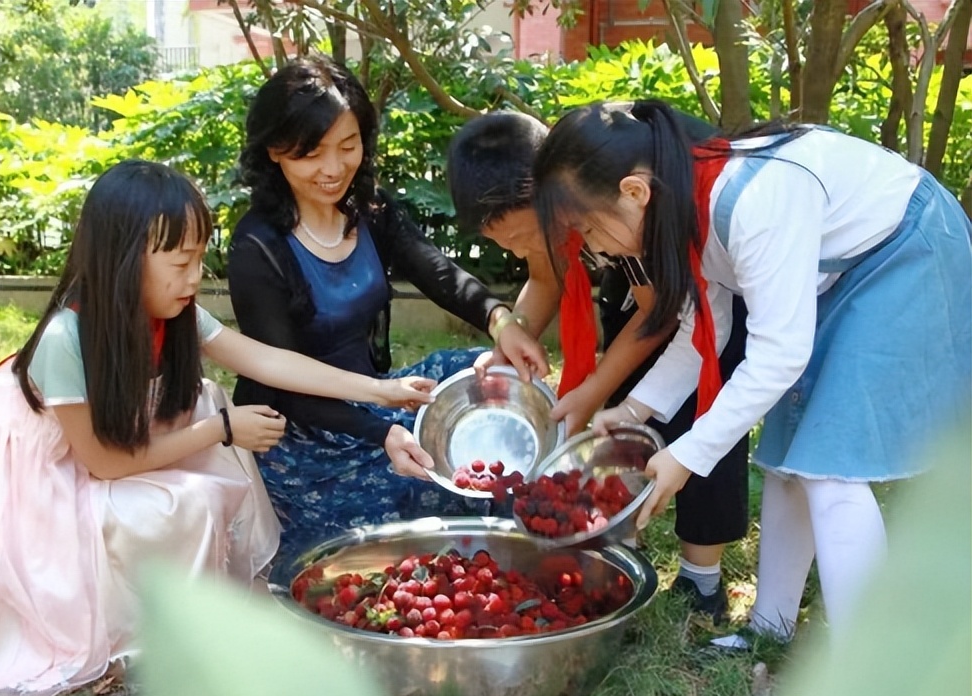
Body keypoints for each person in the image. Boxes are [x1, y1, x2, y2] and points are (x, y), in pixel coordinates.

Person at [0, 159, 434, 696]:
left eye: (198, 259)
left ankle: (184, 607)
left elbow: (265, 360)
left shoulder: (174, 314)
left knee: (207, 405)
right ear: (124, 259)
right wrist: (219, 431)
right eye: (180, 262)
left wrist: (381, 390)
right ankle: (143, 624)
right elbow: (102, 463)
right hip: (49, 464)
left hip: (114, 435)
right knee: (192, 481)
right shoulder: (65, 339)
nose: (194, 278)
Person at [530, 100, 971, 649]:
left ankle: (866, 677)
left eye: (589, 229)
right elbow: (703, 331)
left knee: (831, 472)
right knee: (790, 465)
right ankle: (771, 629)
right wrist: (633, 410)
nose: (594, 248)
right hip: (845, 276)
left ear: (634, 192)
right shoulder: (685, 204)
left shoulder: (754, 202)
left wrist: (689, 454)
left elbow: (778, 356)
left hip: (908, 252)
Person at [228, 56, 548, 558]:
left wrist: (499, 318)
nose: (333, 169)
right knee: (399, 517)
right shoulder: (257, 247)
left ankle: (522, 535)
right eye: (311, 153)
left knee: (489, 376)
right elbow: (282, 386)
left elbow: (436, 271)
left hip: (377, 399)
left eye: (348, 147)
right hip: (307, 436)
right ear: (275, 151)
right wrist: (383, 432)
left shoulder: (367, 209)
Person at [446, 109, 749, 621]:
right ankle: (619, 534)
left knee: (701, 421)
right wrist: (511, 337)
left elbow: (661, 310)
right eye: (505, 246)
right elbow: (546, 278)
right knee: (630, 417)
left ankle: (703, 577)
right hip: (640, 296)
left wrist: (591, 391)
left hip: (702, 291)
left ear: (548, 201)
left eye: (520, 238)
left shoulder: (614, 207)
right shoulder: (562, 216)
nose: (517, 250)